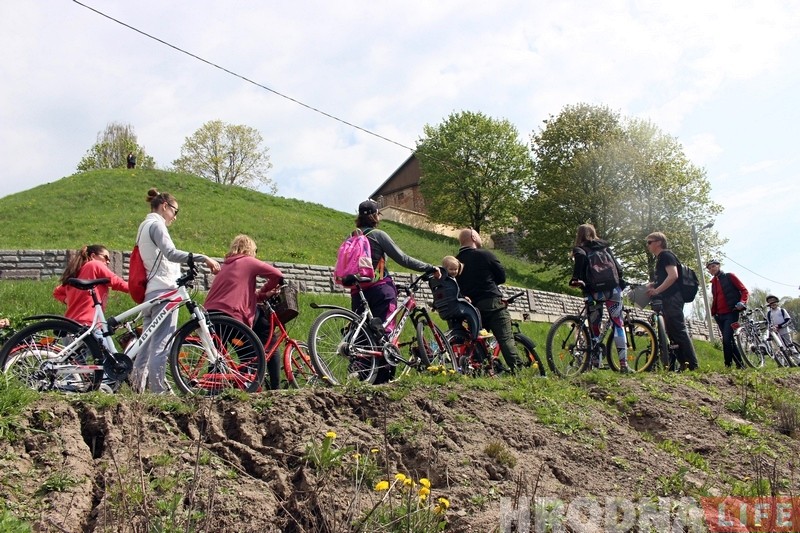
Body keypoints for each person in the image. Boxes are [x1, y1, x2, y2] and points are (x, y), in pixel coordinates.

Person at [131, 188, 220, 394]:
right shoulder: (157, 225)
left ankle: (137, 390)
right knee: (161, 345)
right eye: (175, 211)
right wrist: (202, 257)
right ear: (165, 206)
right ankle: (158, 392)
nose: (175, 217)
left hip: (151, 292)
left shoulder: (144, 226)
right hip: (165, 291)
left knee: (144, 346)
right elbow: (171, 253)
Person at [352, 199, 438, 383]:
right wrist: (429, 267)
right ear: (376, 216)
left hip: (358, 291)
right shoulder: (378, 235)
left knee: (363, 335)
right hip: (380, 289)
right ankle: (384, 377)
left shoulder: (352, 237)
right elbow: (403, 258)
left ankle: (363, 375)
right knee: (385, 333)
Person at [203, 235, 285, 389]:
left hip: (209, 318)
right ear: (250, 249)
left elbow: (241, 294)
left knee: (217, 358)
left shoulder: (226, 265)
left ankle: (213, 392)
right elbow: (277, 275)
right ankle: (274, 389)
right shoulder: (248, 261)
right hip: (230, 317)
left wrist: (261, 295)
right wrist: (267, 289)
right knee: (257, 351)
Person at [455, 228, 524, 372]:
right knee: (506, 339)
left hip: (471, 309)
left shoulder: (455, 261)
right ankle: (520, 372)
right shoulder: (485, 255)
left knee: (478, 343)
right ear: (474, 236)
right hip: (492, 303)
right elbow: (501, 277)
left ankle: (482, 371)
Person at [569, 224, 631, 373]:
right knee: (618, 324)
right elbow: (618, 268)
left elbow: (580, 261)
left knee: (594, 327)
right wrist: (620, 283)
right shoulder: (605, 247)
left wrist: (575, 279)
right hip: (612, 290)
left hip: (593, 292)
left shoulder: (580, 249)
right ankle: (623, 364)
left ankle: (596, 362)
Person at [645, 232, 698, 371]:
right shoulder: (661, 258)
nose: (648, 245)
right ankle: (684, 365)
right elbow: (664, 278)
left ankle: (693, 366)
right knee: (672, 333)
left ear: (658, 242)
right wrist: (653, 284)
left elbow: (673, 276)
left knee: (679, 331)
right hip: (668, 298)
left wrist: (657, 291)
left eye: (649, 242)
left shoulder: (666, 256)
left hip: (673, 298)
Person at [53, 245, 129, 325]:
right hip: (89, 322)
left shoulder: (76, 273)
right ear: (93, 256)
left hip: (71, 323)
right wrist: (136, 289)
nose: (108, 262)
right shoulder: (94, 264)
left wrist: (67, 300)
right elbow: (116, 281)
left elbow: (57, 292)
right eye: (106, 257)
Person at [706, 259, 748, 368]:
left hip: (731, 312)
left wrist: (742, 302)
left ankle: (727, 365)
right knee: (729, 340)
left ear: (718, 266)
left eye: (713, 266)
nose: (712, 269)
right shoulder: (713, 283)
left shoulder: (730, 276)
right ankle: (740, 365)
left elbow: (744, 290)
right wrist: (714, 313)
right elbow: (716, 298)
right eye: (709, 268)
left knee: (726, 339)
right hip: (719, 315)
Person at [429, 255, 481, 339]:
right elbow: (454, 295)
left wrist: (463, 297)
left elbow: (446, 294)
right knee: (474, 311)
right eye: (451, 269)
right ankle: (477, 332)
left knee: (455, 325)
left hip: (444, 310)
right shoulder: (449, 281)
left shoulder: (438, 281)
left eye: (456, 269)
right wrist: (463, 298)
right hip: (454, 306)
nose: (454, 271)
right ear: (444, 269)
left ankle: (457, 338)